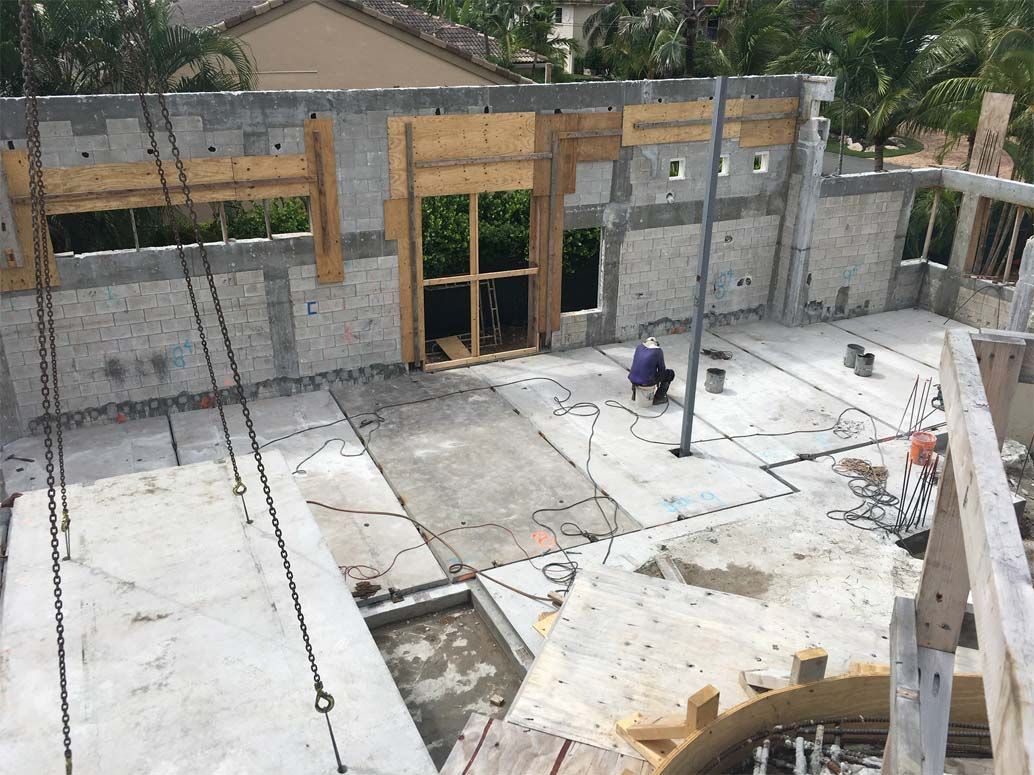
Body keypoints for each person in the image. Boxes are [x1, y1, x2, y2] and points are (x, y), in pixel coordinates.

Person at [628, 336, 675, 404]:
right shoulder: (658, 351)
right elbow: (662, 369)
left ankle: (634, 393)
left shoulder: (639, 347)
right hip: (646, 381)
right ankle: (659, 397)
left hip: (632, 379)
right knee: (669, 374)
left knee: (639, 370)